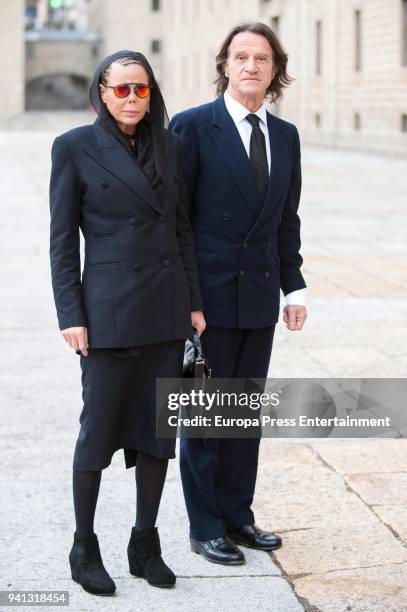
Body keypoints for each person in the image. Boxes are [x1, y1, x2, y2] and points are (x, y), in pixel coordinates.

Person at [49, 50, 205, 595]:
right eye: (121, 90)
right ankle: (83, 545)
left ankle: (145, 542)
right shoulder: (73, 147)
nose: (132, 99)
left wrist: (194, 303)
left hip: (165, 310)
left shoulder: (170, 145)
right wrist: (71, 314)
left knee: (158, 434)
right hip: (108, 311)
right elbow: (62, 241)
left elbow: (181, 229)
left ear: (151, 91)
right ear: (102, 92)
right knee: (98, 431)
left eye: (140, 89)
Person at [169, 22, 307, 565]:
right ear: (225, 65)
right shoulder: (191, 127)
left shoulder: (287, 134)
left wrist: (295, 287)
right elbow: (176, 222)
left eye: (262, 58)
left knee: (243, 416)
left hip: (260, 297)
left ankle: (237, 516)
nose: (251, 65)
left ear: (276, 69)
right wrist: (188, 300)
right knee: (204, 419)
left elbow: (285, 220)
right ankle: (205, 527)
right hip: (206, 299)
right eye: (241, 56)